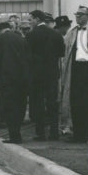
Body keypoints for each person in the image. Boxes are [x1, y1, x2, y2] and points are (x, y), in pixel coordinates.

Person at [59, 6, 88, 144]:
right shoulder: (72, 33)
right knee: (76, 103)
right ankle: (79, 135)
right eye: (76, 14)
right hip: (75, 68)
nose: (77, 17)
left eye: (80, 14)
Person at [25, 9, 66, 140]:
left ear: (37, 19)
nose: (29, 22)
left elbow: (27, 56)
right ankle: (54, 132)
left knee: (38, 104)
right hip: (52, 74)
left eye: (30, 19)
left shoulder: (31, 35)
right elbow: (61, 53)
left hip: (36, 75)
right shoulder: (56, 34)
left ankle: (40, 133)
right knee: (52, 103)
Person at [0, 20, 32, 144]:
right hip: (22, 80)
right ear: (10, 28)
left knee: (9, 107)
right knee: (20, 106)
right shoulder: (21, 39)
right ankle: (17, 134)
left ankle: (13, 135)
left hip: (7, 79)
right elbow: (28, 59)